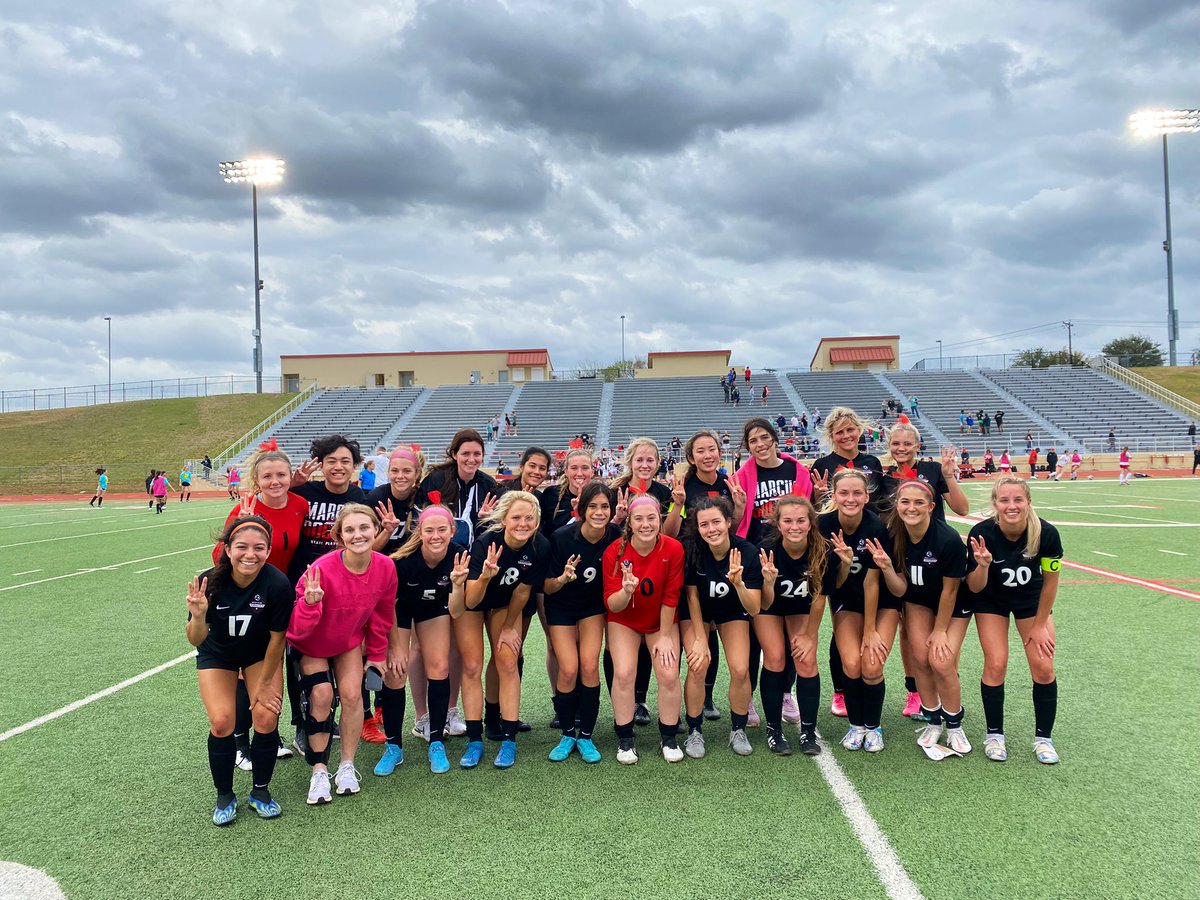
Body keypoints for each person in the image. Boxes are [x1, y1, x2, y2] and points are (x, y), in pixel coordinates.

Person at [288, 503, 396, 805]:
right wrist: (310, 605)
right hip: (312, 643)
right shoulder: (320, 570)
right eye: (350, 529)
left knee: (352, 696)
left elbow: (382, 614)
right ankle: (319, 769)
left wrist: (377, 653)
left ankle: (346, 766)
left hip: (347, 642)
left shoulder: (386, 567)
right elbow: (295, 631)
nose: (358, 534)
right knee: (322, 696)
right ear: (339, 535)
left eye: (364, 528)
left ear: (376, 530)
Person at [187, 515, 292, 825]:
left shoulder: (277, 583)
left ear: (269, 551)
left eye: (259, 548)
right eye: (242, 547)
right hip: (218, 654)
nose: (250, 554)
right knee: (221, 722)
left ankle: (260, 791)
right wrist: (197, 616)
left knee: (265, 714)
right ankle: (225, 795)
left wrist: (260, 687)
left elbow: (277, 641)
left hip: (260, 655)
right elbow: (196, 639)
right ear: (228, 549)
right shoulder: (210, 581)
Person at [213, 442, 310, 768]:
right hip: (247, 596)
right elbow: (218, 559)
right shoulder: (247, 508)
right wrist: (236, 525)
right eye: (267, 476)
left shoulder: (300, 504)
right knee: (245, 668)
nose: (275, 481)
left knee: (283, 663)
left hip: (283, 594)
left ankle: (284, 731)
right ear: (256, 480)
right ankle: (242, 743)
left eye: (281, 474)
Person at [966, 477, 1063, 764]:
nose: (1011, 506)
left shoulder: (1046, 533)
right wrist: (982, 565)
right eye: (1004, 500)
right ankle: (994, 734)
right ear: (995, 503)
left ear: (1028, 502)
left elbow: (1051, 583)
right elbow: (974, 587)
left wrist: (1039, 625)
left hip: (1031, 602)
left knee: (1043, 666)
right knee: (996, 663)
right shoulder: (982, 532)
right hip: (991, 600)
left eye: (1018, 500)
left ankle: (1043, 738)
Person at [285, 435, 366, 756]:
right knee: (301, 660)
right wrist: (291, 484)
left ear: (354, 466)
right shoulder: (303, 494)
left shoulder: (361, 497)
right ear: (321, 464)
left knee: (342, 659)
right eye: (331, 460)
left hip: (344, 594)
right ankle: (303, 726)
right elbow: (274, 505)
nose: (338, 467)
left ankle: (329, 718)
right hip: (303, 590)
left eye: (345, 461)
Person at [459, 491, 550, 769]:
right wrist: (486, 576)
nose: (523, 523)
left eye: (529, 518)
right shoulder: (487, 543)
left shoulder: (540, 546)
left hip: (504, 603)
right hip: (474, 603)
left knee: (508, 662)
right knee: (472, 665)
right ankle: (475, 740)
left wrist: (510, 626)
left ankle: (508, 739)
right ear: (504, 519)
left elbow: (523, 592)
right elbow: (470, 599)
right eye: (516, 517)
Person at [377, 505, 469, 776]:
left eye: (442, 529)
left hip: (435, 609)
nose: (436, 536)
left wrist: (459, 584)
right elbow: (388, 605)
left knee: (439, 667)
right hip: (400, 611)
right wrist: (395, 647)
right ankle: (393, 746)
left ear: (452, 531)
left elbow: (456, 611)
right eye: (429, 530)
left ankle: (437, 741)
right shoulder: (402, 561)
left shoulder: (459, 556)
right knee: (395, 672)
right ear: (421, 532)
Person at [883, 481, 973, 757]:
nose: (911, 508)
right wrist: (887, 568)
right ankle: (934, 720)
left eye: (918, 502)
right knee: (920, 658)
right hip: (918, 601)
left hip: (954, 605)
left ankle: (955, 725)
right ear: (897, 505)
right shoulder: (894, 534)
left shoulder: (947, 539)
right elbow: (901, 586)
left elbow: (951, 589)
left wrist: (941, 629)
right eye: (905, 502)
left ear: (931, 507)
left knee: (941, 660)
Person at [817, 469, 896, 752]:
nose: (850, 499)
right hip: (846, 601)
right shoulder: (822, 525)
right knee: (851, 663)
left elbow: (873, 583)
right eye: (844, 493)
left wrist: (871, 630)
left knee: (872, 664)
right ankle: (856, 725)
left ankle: (874, 727)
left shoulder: (876, 527)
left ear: (866, 496)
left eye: (856, 493)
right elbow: (829, 581)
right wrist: (844, 564)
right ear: (834, 496)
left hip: (880, 603)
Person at [543, 481, 621, 763]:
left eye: (605, 507)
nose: (599, 512)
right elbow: (548, 587)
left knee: (589, 666)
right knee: (568, 669)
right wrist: (563, 578)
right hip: (562, 608)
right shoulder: (562, 538)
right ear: (581, 509)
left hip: (592, 609)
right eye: (593, 507)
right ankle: (567, 734)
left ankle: (586, 736)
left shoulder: (615, 535)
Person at [603, 495, 685, 764]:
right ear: (630, 522)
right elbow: (612, 605)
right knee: (624, 673)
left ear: (660, 521)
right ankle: (625, 738)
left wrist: (663, 636)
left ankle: (668, 736)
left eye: (652, 518)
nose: (646, 524)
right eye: (639, 518)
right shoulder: (615, 551)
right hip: (624, 620)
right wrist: (626, 592)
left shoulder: (673, 549)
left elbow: (671, 596)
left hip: (660, 621)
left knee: (669, 673)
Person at [756, 495, 840, 755]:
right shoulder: (765, 548)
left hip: (800, 608)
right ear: (778, 524)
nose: (795, 526)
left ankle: (808, 730)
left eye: (801, 520)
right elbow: (764, 601)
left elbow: (819, 599)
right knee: (775, 658)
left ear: (811, 522)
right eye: (788, 521)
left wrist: (809, 635)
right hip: (769, 606)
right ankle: (774, 730)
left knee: (806, 660)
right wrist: (769, 582)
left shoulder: (822, 550)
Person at [680, 497, 763, 759]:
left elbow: (754, 608)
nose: (711, 529)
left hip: (732, 611)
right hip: (700, 612)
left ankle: (738, 729)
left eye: (716, 522)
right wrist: (701, 639)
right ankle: (694, 731)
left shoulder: (747, 551)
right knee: (698, 663)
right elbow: (692, 596)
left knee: (740, 668)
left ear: (728, 522)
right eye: (704, 524)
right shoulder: (693, 548)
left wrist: (738, 584)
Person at [417, 428, 497, 547]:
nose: (471, 459)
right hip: (439, 552)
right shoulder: (436, 481)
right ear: (454, 454)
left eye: (477, 454)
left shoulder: (489, 485)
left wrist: (483, 521)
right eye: (465, 454)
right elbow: (418, 522)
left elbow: (493, 532)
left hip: (475, 555)